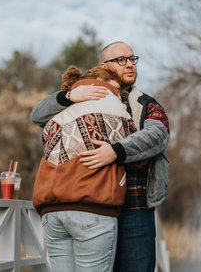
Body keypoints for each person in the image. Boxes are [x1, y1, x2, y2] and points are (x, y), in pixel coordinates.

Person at [31, 41, 170, 272]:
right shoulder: (84, 94)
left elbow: (157, 135)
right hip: (92, 202)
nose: (129, 65)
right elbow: (37, 115)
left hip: (135, 206)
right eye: (121, 60)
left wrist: (116, 151)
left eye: (132, 59)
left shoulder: (146, 103)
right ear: (104, 66)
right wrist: (68, 96)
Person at [32, 65, 138, 272]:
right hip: (90, 207)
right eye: (116, 88)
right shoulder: (112, 106)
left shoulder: (58, 115)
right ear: (99, 80)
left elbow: (37, 118)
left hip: (51, 212)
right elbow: (138, 155)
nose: (120, 95)